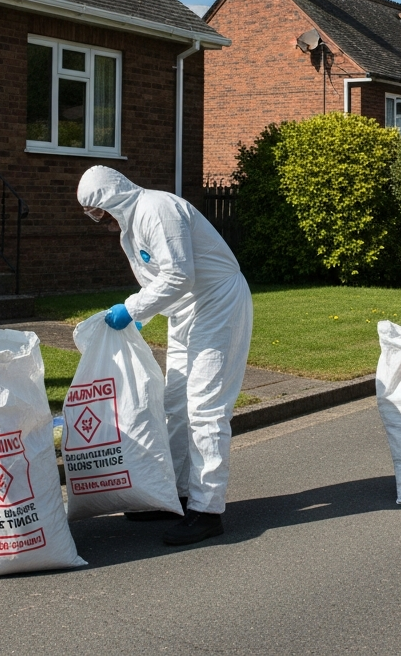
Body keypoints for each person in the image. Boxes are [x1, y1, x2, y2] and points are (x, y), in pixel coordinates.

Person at [77, 166, 253, 546]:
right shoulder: (130, 225)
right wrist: (144, 314)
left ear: (111, 198)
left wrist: (133, 309)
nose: (98, 220)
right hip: (187, 313)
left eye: (97, 210)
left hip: (218, 304)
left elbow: (179, 276)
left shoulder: (156, 209)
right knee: (175, 404)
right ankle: (176, 494)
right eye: (91, 215)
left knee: (206, 409)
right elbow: (160, 282)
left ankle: (208, 510)